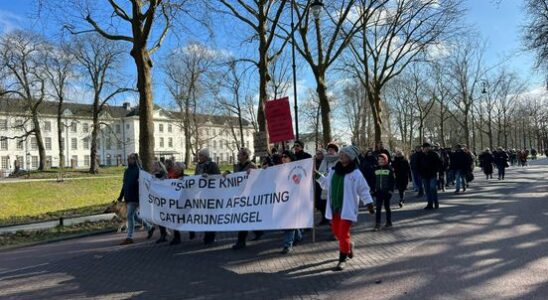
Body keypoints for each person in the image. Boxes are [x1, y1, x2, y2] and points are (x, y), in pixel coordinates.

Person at [316, 145, 375, 271]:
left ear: (351, 157)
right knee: (338, 233)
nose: (341, 156)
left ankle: (342, 259)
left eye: (345, 154)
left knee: (343, 234)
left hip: (347, 209)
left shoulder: (355, 173)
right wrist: (316, 175)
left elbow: (363, 190)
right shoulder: (333, 171)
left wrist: (369, 203)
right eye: (341, 154)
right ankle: (349, 245)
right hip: (334, 208)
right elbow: (326, 184)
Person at [117, 153, 154, 245]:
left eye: (131, 159)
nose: (129, 160)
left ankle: (129, 237)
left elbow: (145, 181)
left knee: (129, 215)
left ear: (135, 160)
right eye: (128, 158)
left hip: (137, 197)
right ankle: (149, 227)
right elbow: (124, 185)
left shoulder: (139, 171)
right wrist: (120, 196)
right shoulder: (126, 171)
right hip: (129, 197)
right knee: (134, 216)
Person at [230, 148, 261, 250]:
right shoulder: (237, 166)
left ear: (245, 156)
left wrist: (253, 173)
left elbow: (260, 178)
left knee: (243, 218)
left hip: (249, 196)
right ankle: (259, 231)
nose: (237, 156)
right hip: (240, 196)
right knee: (245, 218)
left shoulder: (252, 166)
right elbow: (234, 177)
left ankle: (241, 241)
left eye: (239, 155)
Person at [195, 148, 220, 245]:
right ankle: (207, 234)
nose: (199, 157)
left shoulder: (212, 165)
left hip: (212, 194)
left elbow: (217, 177)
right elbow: (196, 177)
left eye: (200, 155)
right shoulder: (198, 166)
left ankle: (211, 235)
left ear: (205, 156)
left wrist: (208, 176)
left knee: (211, 215)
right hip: (202, 194)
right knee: (205, 215)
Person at [280, 150, 303, 254]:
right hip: (283, 199)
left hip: (294, 199)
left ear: (291, 158)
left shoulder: (296, 168)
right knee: (291, 221)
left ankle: (287, 245)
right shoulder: (279, 169)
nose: (283, 158)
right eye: (282, 156)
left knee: (289, 222)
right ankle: (298, 236)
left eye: (286, 156)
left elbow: (298, 181)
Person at [317, 143, 340, 225]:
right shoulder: (325, 160)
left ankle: (335, 223)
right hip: (326, 185)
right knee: (326, 204)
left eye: (332, 150)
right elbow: (320, 172)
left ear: (336, 151)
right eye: (329, 150)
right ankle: (329, 220)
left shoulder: (339, 160)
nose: (330, 151)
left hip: (336, 186)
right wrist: (325, 175)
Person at [372, 153, 395, 231]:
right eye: (379, 160)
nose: (380, 161)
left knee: (387, 207)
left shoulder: (389, 169)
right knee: (378, 208)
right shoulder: (376, 169)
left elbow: (392, 181)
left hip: (386, 192)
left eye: (382, 160)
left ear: (386, 160)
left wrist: (390, 191)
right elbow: (373, 180)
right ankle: (377, 224)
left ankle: (389, 222)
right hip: (378, 192)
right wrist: (373, 190)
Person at [418, 143, 442, 209]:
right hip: (424, 175)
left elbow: (440, 163)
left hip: (433, 174)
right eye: (424, 147)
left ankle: (436, 202)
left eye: (427, 147)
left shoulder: (434, 154)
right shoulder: (420, 155)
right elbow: (418, 165)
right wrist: (419, 173)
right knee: (427, 190)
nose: (426, 149)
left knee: (433, 188)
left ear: (429, 148)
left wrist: (439, 173)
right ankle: (430, 203)